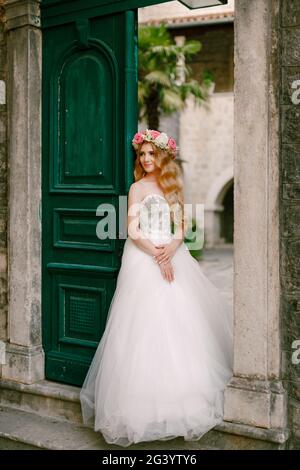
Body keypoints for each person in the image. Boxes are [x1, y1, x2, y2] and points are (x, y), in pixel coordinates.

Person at [80, 129, 233, 447]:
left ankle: (182, 402)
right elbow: (133, 229)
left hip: (172, 255)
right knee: (142, 327)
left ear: (163, 157)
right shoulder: (136, 188)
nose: (146, 159)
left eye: (152, 154)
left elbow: (180, 228)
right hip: (142, 258)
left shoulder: (172, 186)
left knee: (180, 324)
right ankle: (141, 408)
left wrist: (171, 250)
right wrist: (156, 255)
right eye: (142, 154)